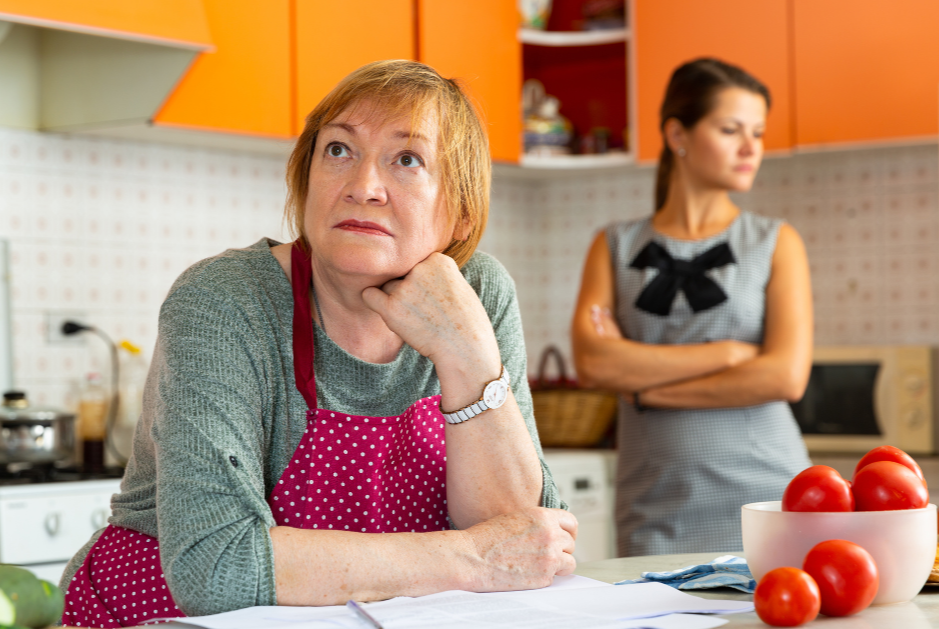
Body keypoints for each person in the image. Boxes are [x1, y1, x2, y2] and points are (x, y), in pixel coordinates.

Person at [60, 60, 576, 627]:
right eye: (338, 150)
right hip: (166, 616)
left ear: (461, 212)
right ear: (305, 180)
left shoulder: (480, 293)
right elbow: (218, 567)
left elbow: (529, 542)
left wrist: (469, 354)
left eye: (407, 159)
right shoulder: (224, 300)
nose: (363, 188)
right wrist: (472, 557)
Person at [571, 58, 813, 557]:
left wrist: (645, 390)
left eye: (758, 133)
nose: (751, 148)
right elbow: (595, 363)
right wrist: (728, 354)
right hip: (653, 502)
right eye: (730, 130)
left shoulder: (776, 242)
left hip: (767, 496)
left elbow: (784, 377)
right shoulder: (614, 245)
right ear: (677, 134)